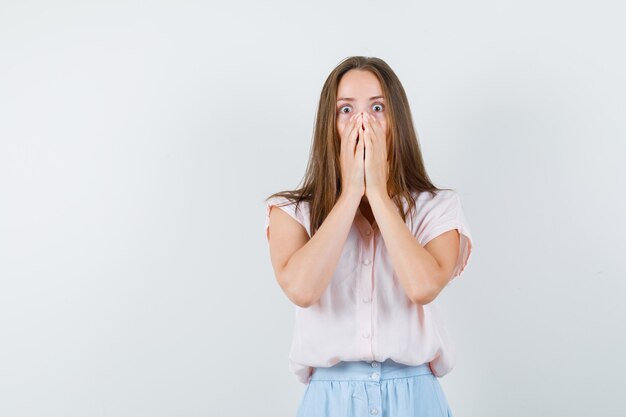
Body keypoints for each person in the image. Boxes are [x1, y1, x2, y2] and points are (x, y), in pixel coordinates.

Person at [264, 56, 473, 417]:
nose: (363, 122)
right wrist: (349, 195)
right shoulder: (291, 211)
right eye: (346, 109)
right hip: (329, 398)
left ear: (397, 121)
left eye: (377, 107)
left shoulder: (438, 207)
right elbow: (302, 289)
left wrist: (376, 191)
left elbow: (423, 286)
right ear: (329, 125)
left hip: (416, 396)